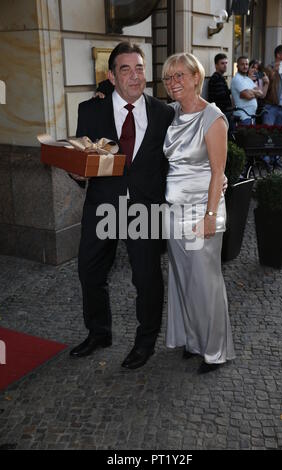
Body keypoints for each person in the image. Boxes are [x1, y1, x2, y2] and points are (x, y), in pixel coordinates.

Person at [69, 42, 175, 370]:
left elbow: (176, 163)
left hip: (145, 208)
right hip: (103, 205)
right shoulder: (90, 111)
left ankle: (145, 343)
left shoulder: (164, 113)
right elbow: (82, 161)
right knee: (89, 270)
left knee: (146, 279)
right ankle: (99, 332)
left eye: (139, 68)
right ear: (112, 77)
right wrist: (77, 174)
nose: (134, 75)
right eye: (125, 69)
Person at [162, 53, 236, 374]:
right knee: (182, 281)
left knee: (206, 283)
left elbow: (218, 171)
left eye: (180, 75)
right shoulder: (172, 113)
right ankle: (194, 341)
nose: (173, 82)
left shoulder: (213, 118)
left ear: (197, 77)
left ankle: (215, 350)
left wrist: (209, 215)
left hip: (202, 214)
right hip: (173, 213)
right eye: (168, 77)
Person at [263, 45, 282, 167]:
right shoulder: (269, 68)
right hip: (271, 107)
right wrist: (274, 71)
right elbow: (266, 83)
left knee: (279, 135)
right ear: (278, 55)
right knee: (268, 134)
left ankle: (275, 159)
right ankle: (265, 160)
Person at [231, 56, 264, 125]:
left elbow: (261, 94)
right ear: (237, 66)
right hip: (242, 117)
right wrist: (254, 93)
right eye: (242, 64)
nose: (245, 66)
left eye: (246, 64)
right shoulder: (237, 79)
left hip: (252, 117)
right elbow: (247, 95)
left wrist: (250, 91)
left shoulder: (248, 79)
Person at [208, 53, 232, 122]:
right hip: (221, 113)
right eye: (222, 63)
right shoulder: (216, 78)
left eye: (226, 63)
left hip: (223, 113)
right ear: (216, 65)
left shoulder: (220, 77)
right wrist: (231, 90)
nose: (225, 66)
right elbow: (221, 96)